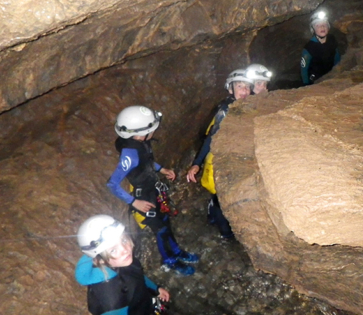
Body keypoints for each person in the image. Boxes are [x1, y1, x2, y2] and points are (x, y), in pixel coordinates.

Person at [107, 105, 198, 276]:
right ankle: (169, 260)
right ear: (140, 133)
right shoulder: (129, 155)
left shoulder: (141, 142)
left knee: (165, 221)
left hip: (152, 190)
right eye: (152, 129)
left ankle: (177, 251)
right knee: (160, 230)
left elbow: (146, 162)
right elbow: (112, 184)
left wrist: (161, 169)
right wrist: (134, 202)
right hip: (143, 198)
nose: (154, 131)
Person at [186, 69, 253, 239]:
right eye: (239, 86)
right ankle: (225, 234)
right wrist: (196, 163)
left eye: (247, 87)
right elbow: (211, 138)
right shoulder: (226, 110)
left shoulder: (248, 106)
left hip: (234, 158)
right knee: (220, 197)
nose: (244, 90)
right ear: (230, 89)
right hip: (217, 161)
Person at [75, 215, 170, 315]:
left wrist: (156, 288)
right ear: (99, 260)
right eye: (113, 250)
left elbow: (136, 276)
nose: (125, 250)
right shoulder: (112, 300)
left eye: (124, 240)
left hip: (144, 304)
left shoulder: (122, 261)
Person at [300, 10, 341, 85]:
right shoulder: (309, 48)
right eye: (317, 26)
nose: (322, 27)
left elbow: (337, 58)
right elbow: (304, 69)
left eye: (324, 25)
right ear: (314, 30)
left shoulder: (332, 40)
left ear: (328, 28)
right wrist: (306, 85)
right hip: (315, 81)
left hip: (330, 77)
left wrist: (337, 74)